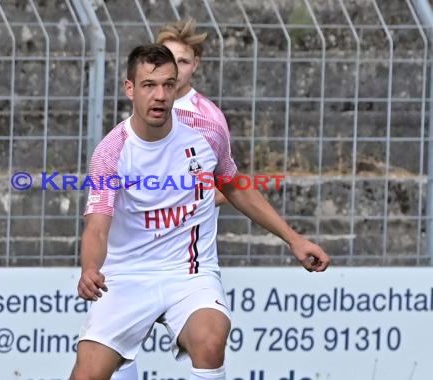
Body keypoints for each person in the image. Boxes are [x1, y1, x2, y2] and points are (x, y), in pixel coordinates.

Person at [69, 44, 330, 380]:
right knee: (88, 374)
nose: (160, 95)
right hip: (128, 276)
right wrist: (90, 268)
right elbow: (97, 227)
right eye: (149, 85)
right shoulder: (111, 152)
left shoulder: (206, 132)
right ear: (130, 88)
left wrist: (293, 239)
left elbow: (235, 186)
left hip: (189, 273)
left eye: (168, 84)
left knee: (210, 340)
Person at [111, 18, 231, 380]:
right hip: (133, 251)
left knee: (208, 342)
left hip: (182, 257)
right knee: (116, 351)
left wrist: (180, 202)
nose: (174, 69)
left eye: (182, 61)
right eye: (167, 58)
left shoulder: (207, 119)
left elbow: (227, 183)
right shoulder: (140, 111)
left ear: (195, 65)